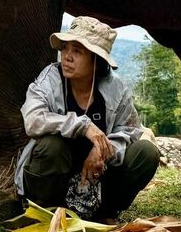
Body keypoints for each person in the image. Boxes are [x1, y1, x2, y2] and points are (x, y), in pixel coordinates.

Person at [14, 16, 160, 221]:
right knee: (51, 146)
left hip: (97, 180)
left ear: (96, 60)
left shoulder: (116, 89)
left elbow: (130, 131)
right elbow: (33, 119)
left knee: (147, 152)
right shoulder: (50, 78)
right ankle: (45, 214)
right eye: (64, 48)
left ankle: (106, 213)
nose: (66, 56)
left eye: (77, 51)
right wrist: (83, 126)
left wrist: (103, 151)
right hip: (53, 178)